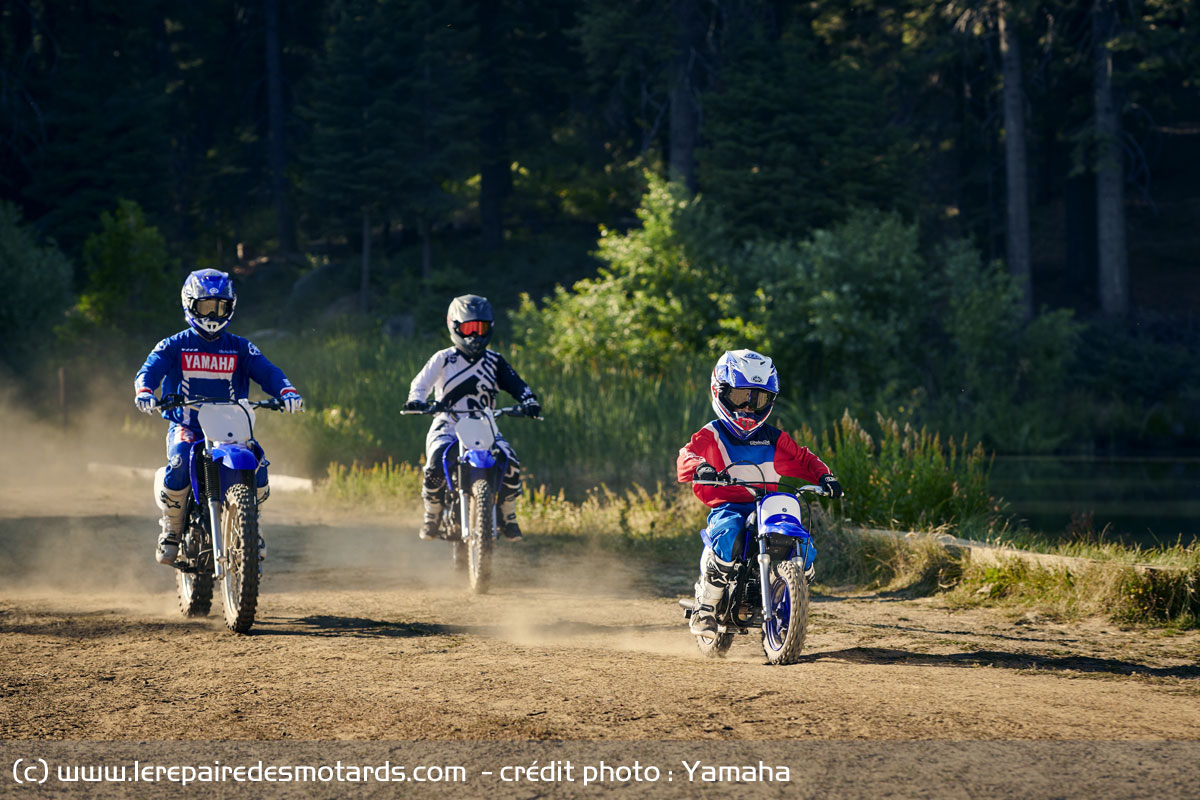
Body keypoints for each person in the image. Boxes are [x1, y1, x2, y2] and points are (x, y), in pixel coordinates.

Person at [134, 269, 303, 565]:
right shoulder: (174, 344)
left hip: (231, 428)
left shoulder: (240, 347)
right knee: (179, 460)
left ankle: (251, 525)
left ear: (231, 307)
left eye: (220, 306)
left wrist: (287, 391)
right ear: (189, 305)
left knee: (258, 464)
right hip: (187, 425)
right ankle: (171, 529)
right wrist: (145, 390)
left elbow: (268, 371)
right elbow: (149, 369)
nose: (213, 313)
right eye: (205, 306)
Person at [676, 349, 843, 636]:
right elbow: (687, 454)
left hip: (769, 505)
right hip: (730, 505)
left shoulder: (775, 438)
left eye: (759, 399)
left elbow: (804, 459)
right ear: (721, 391)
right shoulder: (712, 434)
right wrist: (700, 467)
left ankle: (793, 589)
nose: (748, 408)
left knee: (805, 544)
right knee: (729, 532)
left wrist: (825, 476)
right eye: (742, 397)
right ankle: (706, 606)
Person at [403, 294, 540, 541]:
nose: (475, 335)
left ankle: (508, 515)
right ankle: (432, 515)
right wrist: (417, 400)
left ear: (490, 328)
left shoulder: (495, 361)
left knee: (511, 462)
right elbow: (421, 384)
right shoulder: (444, 358)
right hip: (447, 424)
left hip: (485, 425)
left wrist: (529, 401)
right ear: (454, 326)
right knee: (434, 465)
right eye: (469, 328)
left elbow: (517, 385)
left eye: (481, 328)